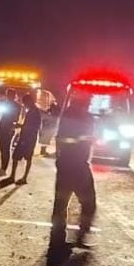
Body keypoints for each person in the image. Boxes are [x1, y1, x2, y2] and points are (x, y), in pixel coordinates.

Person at [50, 91, 97, 249]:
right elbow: (81, 139)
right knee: (88, 202)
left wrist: (59, 157)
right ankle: (80, 235)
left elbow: (60, 138)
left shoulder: (68, 114)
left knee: (61, 202)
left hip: (66, 164)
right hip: (78, 165)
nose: (89, 102)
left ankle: (57, 237)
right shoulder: (85, 117)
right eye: (88, 99)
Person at [10, 93, 42, 184]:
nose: (24, 105)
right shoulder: (32, 111)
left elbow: (33, 127)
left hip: (28, 138)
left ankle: (22, 177)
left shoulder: (34, 112)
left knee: (23, 157)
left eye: (25, 103)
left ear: (29, 102)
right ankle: (15, 176)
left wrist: (19, 126)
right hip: (28, 137)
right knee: (21, 157)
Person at [0, 90, 22, 176]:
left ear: (14, 96)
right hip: (2, 127)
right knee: (2, 148)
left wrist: (11, 127)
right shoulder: (5, 103)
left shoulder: (17, 106)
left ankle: (3, 169)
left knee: (6, 149)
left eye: (11, 95)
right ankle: (2, 168)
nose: (9, 96)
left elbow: (15, 118)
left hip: (8, 129)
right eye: (8, 95)